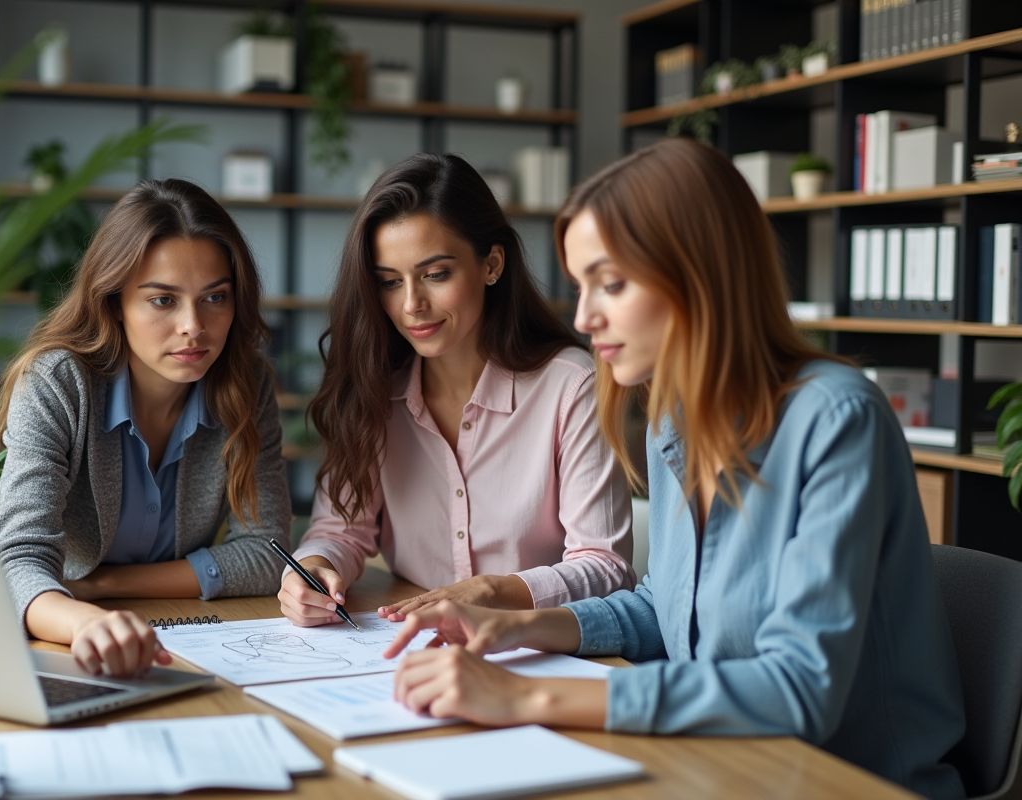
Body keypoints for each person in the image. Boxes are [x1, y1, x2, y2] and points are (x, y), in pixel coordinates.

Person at [383, 138, 966, 800]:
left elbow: (802, 687)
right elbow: (666, 611)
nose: (583, 317)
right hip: (717, 768)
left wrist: (527, 695)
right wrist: (514, 626)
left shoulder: (837, 419)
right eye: (580, 287)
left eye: (612, 283)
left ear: (700, 272)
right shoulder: (675, 418)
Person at [279, 153, 635, 628]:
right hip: (405, 648)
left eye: (436, 274)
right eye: (388, 282)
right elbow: (341, 529)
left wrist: (491, 591)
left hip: (533, 652)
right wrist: (317, 569)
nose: (411, 305)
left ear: (491, 264)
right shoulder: (372, 389)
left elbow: (607, 568)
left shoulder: (571, 386)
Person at [0, 179, 291, 678]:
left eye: (215, 298)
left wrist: (104, 586)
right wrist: (85, 618)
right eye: (163, 301)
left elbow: (267, 553)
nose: (193, 325)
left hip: (184, 635)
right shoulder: (59, 383)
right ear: (114, 301)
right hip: (69, 640)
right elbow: (16, 560)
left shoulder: (244, 383)